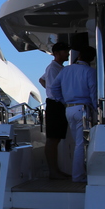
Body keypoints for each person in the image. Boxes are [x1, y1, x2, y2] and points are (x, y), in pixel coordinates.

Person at [50, 46, 97, 183]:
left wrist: (63, 100)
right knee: (81, 144)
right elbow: (93, 92)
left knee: (78, 143)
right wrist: (96, 109)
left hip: (69, 109)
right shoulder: (89, 71)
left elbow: (54, 88)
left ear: (80, 56)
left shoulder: (66, 70)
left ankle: (79, 174)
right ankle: (78, 176)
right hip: (83, 109)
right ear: (92, 59)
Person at [39, 42, 71, 179]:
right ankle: (53, 171)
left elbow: (41, 80)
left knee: (55, 139)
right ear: (57, 53)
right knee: (53, 139)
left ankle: (55, 170)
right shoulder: (53, 68)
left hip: (56, 104)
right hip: (55, 104)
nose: (68, 53)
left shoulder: (57, 68)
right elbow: (52, 88)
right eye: (65, 51)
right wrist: (62, 101)